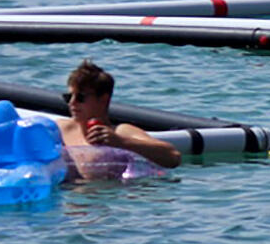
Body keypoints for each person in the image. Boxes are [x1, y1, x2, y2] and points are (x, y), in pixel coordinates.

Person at [47, 61, 180, 179]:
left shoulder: (121, 132)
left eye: (80, 98)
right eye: (68, 97)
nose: (72, 103)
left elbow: (173, 157)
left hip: (105, 199)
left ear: (103, 99)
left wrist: (121, 142)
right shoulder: (60, 129)